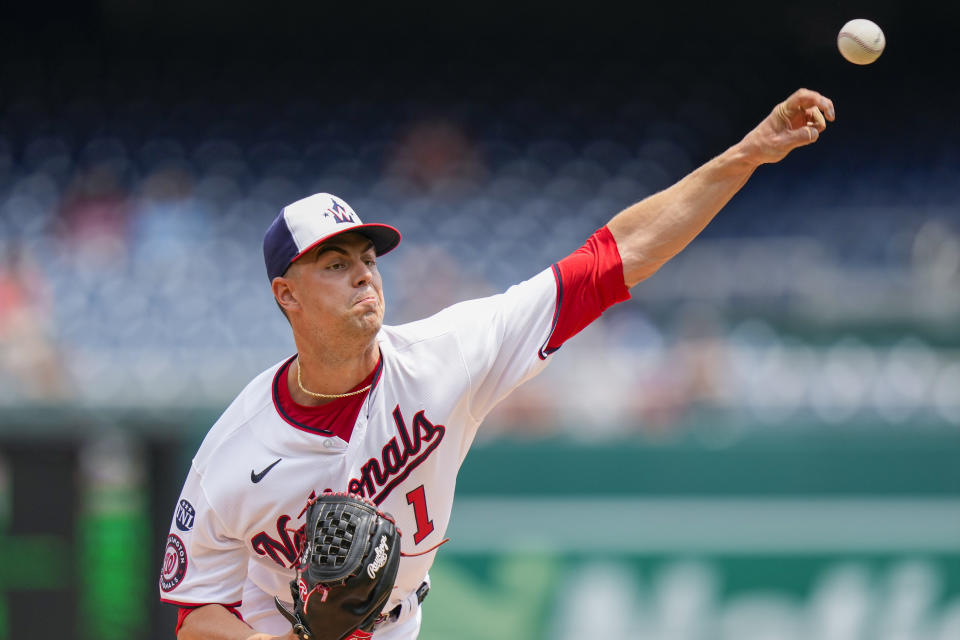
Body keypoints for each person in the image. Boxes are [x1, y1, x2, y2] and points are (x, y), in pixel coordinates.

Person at [161, 88, 835, 640]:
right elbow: (196, 614)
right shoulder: (236, 449)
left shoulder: (447, 354)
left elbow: (612, 259)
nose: (364, 276)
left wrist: (745, 156)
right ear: (287, 295)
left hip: (397, 626)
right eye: (335, 266)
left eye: (368, 258)